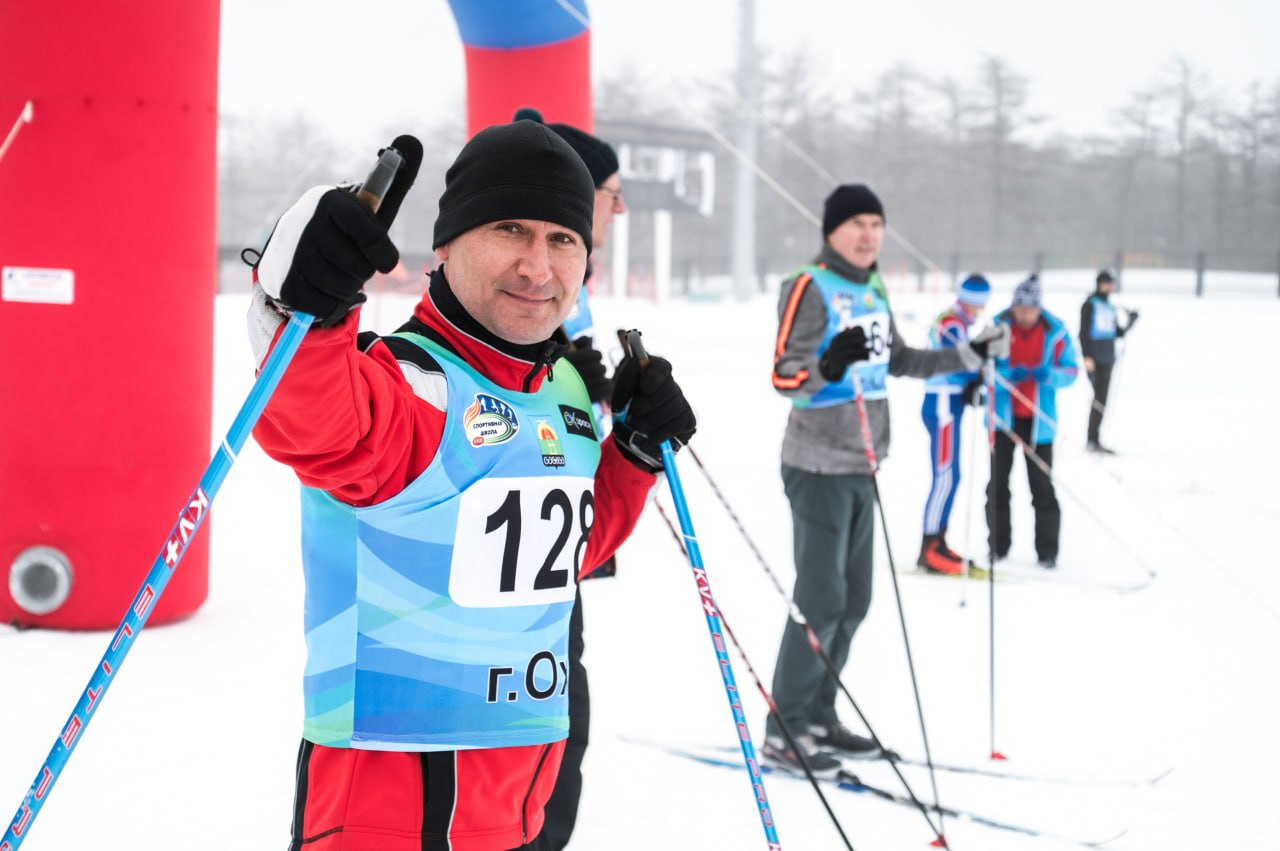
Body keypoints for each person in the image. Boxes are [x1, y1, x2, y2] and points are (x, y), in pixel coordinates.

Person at [246, 121, 696, 851]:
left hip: (521, 797)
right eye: (509, 228)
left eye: (563, 239)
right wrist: (305, 307)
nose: (537, 266)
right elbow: (317, 427)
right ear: (447, 243)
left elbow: (563, 559)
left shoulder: (566, 392)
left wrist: (634, 458)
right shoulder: (408, 384)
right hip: (388, 808)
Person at [767, 184, 1008, 775]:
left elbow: (898, 360)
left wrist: (971, 354)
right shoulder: (809, 284)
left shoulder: (872, 285)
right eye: (856, 223)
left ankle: (820, 713)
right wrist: (826, 366)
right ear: (831, 231)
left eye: (876, 223)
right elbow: (784, 375)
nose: (869, 233)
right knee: (821, 598)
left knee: (854, 600)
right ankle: (786, 728)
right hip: (817, 463)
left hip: (862, 463)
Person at [511, 108, 626, 851]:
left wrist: (613, 408)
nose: (620, 208)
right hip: (514, 559)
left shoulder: (574, 283)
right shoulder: (532, 280)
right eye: (612, 191)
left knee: (564, 731)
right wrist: (562, 384)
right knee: (548, 731)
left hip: (559, 540)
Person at [987, 274, 1079, 569]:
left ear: (1039, 308)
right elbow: (980, 369)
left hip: (1040, 423)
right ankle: (998, 546)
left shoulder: (1057, 332)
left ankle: (1047, 552)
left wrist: (1049, 375)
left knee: (1041, 486)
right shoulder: (997, 327)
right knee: (997, 486)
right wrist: (1004, 377)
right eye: (1020, 308)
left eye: (1030, 309)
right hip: (1002, 421)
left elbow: (1071, 371)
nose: (1024, 314)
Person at [917, 274, 992, 575]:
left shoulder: (960, 322)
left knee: (952, 476)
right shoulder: (951, 323)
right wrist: (975, 375)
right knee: (946, 477)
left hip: (951, 401)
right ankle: (929, 547)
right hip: (943, 403)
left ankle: (939, 539)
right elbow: (955, 360)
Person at [1079, 268, 1138, 453]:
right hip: (1094, 359)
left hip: (1107, 358)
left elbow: (1117, 333)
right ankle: (1092, 439)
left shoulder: (1110, 307)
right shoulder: (1090, 305)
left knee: (1103, 400)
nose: (1108, 286)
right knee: (1098, 399)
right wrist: (1087, 356)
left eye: (1110, 283)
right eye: (1106, 282)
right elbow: (1083, 333)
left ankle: (1095, 438)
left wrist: (1131, 322)